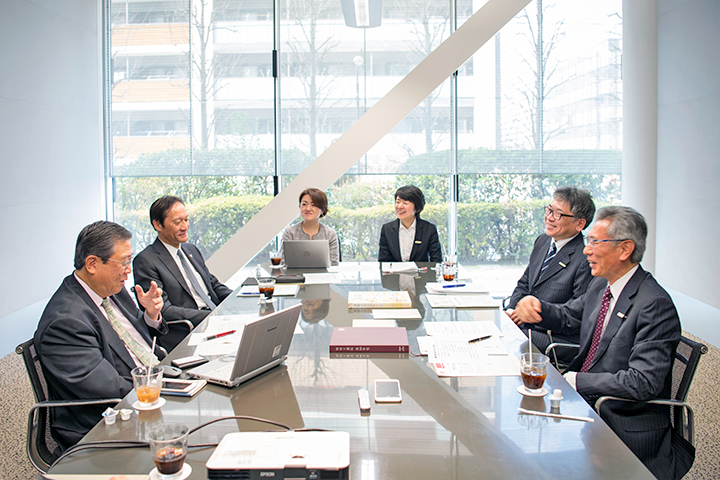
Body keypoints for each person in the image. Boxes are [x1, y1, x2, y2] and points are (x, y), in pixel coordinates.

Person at [512, 206, 694, 480]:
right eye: (589, 241)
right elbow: (570, 317)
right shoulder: (602, 285)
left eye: (595, 242)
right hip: (588, 403)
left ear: (625, 249)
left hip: (620, 420)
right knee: (520, 439)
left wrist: (576, 381)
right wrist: (537, 307)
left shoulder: (654, 304)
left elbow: (643, 382)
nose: (586, 250)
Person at [34, 221, 167, 452]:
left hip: (149, 387)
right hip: (107, 423)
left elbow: (134, 343)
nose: (129, 269)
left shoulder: (110, 290)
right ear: (93, 264)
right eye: (124, 261)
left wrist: (151, 315)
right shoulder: (65, 322)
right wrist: (165, 388)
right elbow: (108, 389)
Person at [506, 186, 595, 363]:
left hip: (556, 337)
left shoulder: (585, 258)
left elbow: (576, 318)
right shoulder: (543, 240)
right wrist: (512, 310)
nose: (549, 217)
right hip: (528, 326)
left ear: (580, 224)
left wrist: (531, 315)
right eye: (549, 210)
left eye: (558, 214)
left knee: (509, 341)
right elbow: (525, 283)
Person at [133, 195, 232, 350]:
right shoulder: (146, 260)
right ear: (157, 225)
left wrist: (238, 298)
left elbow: (212, 284)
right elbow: (163, 310)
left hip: (216, 321)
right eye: (177, 222)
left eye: (186, 220)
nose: (184, 226)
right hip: (189, 330)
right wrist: (212, 316)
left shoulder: (190, 249)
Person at [378, 185, 442, 263]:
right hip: (394, 274)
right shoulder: (387, 229)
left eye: (405, 203)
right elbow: (383, 261)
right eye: (398, 202)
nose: (400, 206)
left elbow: (436, 260)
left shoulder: (429, 229)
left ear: (417, 208)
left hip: (421, 274)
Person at [281, 188, 340, 265]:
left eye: (313, 205)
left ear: (322, 210)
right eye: (304, 204)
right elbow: (283, 263)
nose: (308, 209)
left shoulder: (329, 234)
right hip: (295, 276)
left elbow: (334, 264)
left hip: (322, 276)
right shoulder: (290, 232)